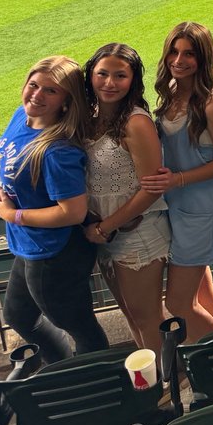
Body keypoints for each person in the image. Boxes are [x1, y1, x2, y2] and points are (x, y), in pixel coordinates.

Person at [0, 57, 108, 364]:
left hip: (57, 254)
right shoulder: (22, 116)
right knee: (18, 315)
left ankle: (97, 383)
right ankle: (63, 369)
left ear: (67, 101)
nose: (37, 95)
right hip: (30, 244)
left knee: (80, 328)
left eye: (51, 91)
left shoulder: (58, 150)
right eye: (33, 85)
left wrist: (11, 214)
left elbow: (72, 212)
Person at [145, 22, 213, 342]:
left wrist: (178, 179)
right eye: (174, 51)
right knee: (202, 290)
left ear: (203, 58)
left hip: (202, 212)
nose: (178, 60)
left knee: (178, 302)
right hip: (178, 209)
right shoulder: (169, 94)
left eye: (189, 54)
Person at [81, 43, 169, 355]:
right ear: (90, 74)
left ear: (133, 81)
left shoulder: (136, 122)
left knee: (148, 319)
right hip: (106, 236)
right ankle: (151, 379)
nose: (109, 82)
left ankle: (168, 383)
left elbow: (152, 188)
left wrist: (105, 227)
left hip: (138, 234)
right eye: (102, 73)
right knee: (132, 316)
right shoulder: (88, 117)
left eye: (120, 75)